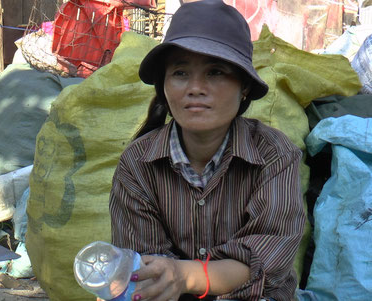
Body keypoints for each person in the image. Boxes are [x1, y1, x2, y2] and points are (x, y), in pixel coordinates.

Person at [109, 1, 305, 300]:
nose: (195, 88)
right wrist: (158, 278)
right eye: (180, 73)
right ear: (164, 86)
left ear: (245, 89)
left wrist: (184, 275)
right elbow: (148, 270)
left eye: (215, 72)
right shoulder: (137, 163)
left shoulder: (275, 155)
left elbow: (267, 262)